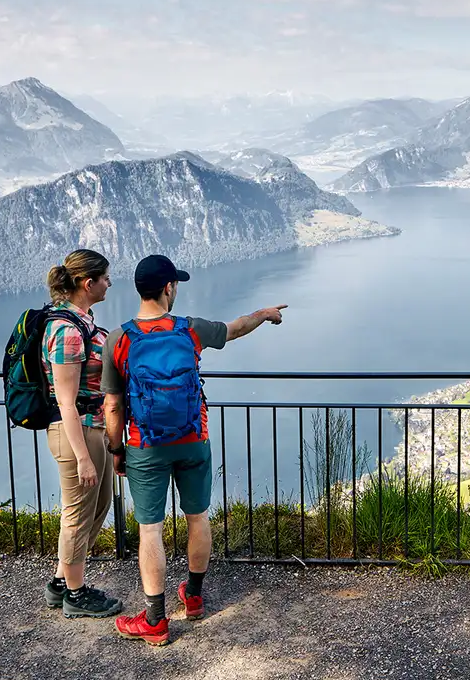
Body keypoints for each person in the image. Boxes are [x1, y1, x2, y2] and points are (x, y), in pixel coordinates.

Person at [102, 254, 286, 646]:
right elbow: (236, 328)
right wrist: (264, 313)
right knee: (197, 517)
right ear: (168, 288)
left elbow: (113, 406)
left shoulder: (119, 339)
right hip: (193, 439)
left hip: (145, 446)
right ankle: (195, 596)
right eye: (175, 285)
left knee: (150, 529)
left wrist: (117, 450)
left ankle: (155, 620)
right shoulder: (190, 330)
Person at [41, 248, 123, 618]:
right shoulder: (67, 332)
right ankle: (75, 595)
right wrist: (83, 458)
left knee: (97, 508)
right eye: (105, 278)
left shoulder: (82, 322)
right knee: (77, 515)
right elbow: (65, 401)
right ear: (88, 284)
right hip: (78, 433)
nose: (109, 283)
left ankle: (61, 582)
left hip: (94, 429)